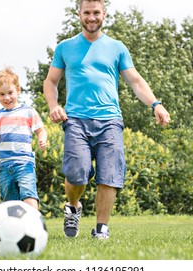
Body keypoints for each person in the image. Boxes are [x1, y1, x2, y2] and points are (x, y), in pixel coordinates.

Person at [43, 0, 170, 239]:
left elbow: (135, 81)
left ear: (104, 14)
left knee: (109, 174)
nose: (91, 17)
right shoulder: (65, 47)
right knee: (76, 173)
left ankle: (101, 228)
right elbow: (50, 81)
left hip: (110, 119)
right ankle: (73, 207)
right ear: (79, 14)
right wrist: (54, 105)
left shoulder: (117, 47)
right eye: (87, 13)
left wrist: (156, 104)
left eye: (96, 13)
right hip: (76, 119)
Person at [0, 67, 47, 210]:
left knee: (29, 195)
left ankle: (33, 225)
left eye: (10, 93)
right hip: (4, 166)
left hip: (24, 163)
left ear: (18, 90)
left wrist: (42, 139)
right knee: (10, 203)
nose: (7, 97)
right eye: (2, 94)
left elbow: (41, 130)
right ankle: (15, 230)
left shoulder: (28, 111)